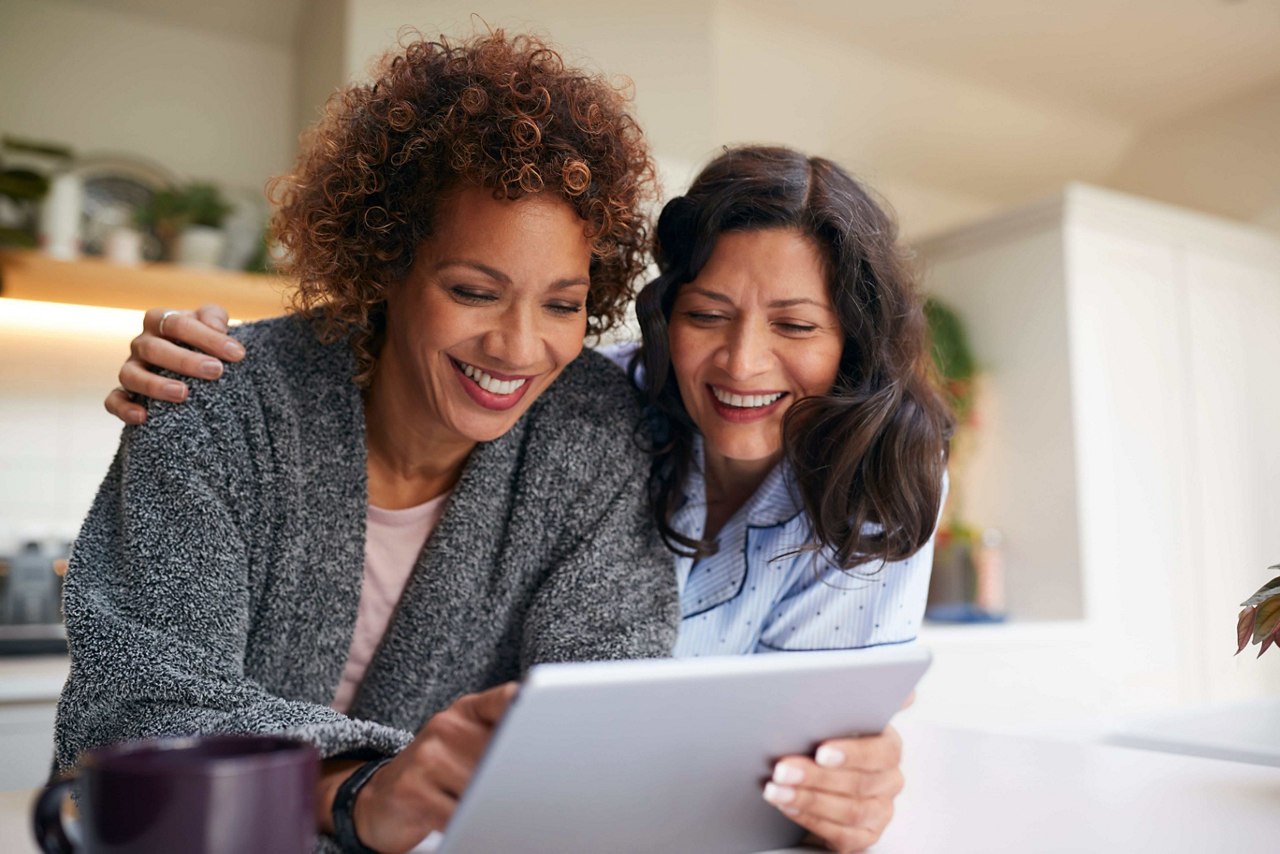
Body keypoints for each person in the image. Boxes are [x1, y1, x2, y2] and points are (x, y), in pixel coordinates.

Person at [107, 146, 950, 852]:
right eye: (707, 314)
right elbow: (140, 717)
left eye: (796, 327)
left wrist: (841, 792)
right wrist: (360, 787)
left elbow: (624, 737)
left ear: (852, 340)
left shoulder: (871, 480)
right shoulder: (594, 403)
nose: (742, 363)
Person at [57, 31, 681, 854]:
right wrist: (361, 788)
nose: (520, 348)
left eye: (562, 304)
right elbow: (138, 708)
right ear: (384, 262)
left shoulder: (594, 433)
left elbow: (603, 703)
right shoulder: (215, 406)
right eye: (473, 291)